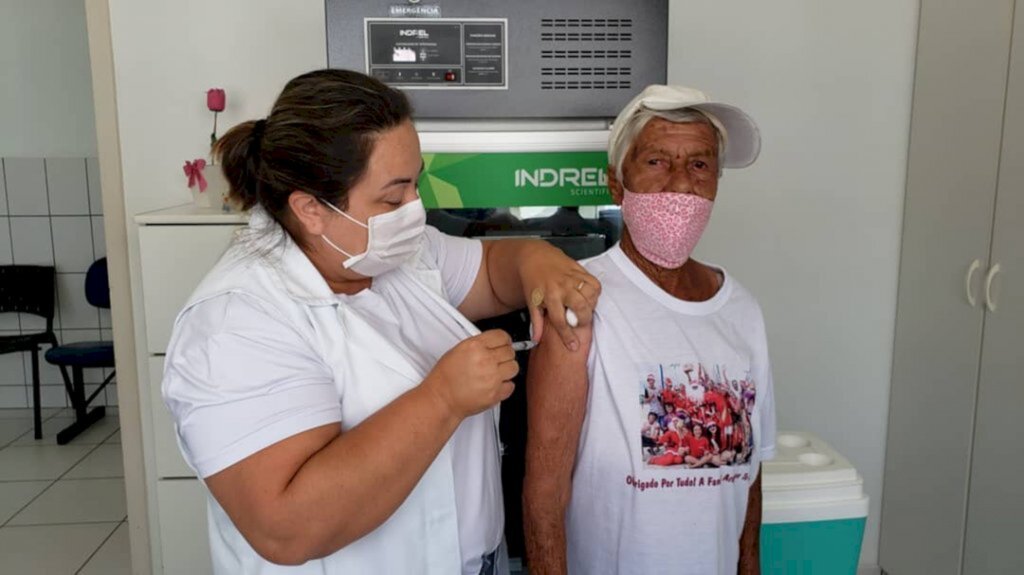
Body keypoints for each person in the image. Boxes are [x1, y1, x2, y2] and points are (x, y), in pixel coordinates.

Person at [161, 69, 600, 575]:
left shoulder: (388, 253)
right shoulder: (235, 323)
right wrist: (442, 399)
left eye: (415, 183)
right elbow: (285, 527)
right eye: (392, 198)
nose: (414, 209)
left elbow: (493, 272)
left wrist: (538, 262)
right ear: (310, 208)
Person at [522, 84, 776, 574]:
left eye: (700, 164)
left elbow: (752, 471)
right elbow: (545, 488)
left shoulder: (742, 309)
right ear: (618, 185)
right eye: (658, 161)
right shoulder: (580, 297)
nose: (681, 184)